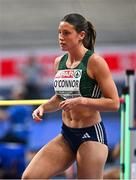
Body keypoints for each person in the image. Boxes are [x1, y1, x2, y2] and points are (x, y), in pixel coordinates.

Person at [22, 13, 120, 179]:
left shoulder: (95, 62)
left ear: (81, 35)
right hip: (67, 134)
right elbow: (60, 98)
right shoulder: (58, 62)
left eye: (66, 33)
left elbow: (114, 103)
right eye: (59, 32)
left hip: (91, 135)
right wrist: (43, 107)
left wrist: (81, 101)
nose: (61, 37)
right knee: (29, 177)